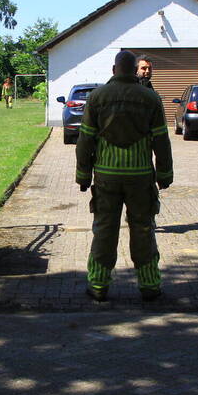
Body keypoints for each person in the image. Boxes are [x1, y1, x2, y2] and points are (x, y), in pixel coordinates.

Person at [75, 50, 173, 302]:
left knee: (104, 230)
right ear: (134, 70)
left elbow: (85, 139)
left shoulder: (97, 97)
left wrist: (83, 175)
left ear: (113, 69)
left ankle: (98, 285)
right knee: (143, 229)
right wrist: (164, 174)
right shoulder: (151, 98)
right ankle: (150, 285)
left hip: (106, 177)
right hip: (140, 177)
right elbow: (162, 140)